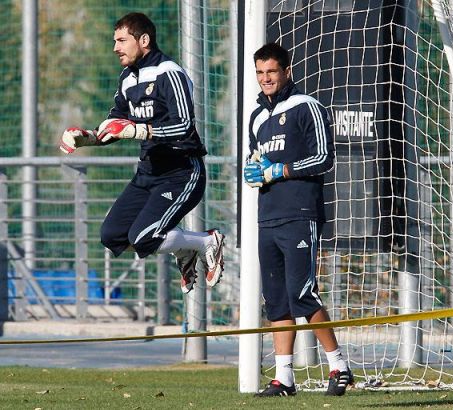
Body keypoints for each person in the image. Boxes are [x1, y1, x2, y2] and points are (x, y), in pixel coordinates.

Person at [58, 12, 224, 294]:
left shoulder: (168, 72)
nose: (115, 47)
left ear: (144, 40)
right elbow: (115, 125)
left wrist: (141, 131)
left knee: (144, 236)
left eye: (122, 40)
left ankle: (207, 241)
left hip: (181, 172)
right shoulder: (127, 77)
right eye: (115, 41)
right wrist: (87, 138)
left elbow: (184, 125)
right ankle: (183, 249)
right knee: (111, 235)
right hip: (147, 174)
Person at [243, 43, 352, 397]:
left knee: (302, 293)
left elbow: (324, 158)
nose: (265, 79)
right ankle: (284, 378)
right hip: (267, 216)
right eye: (260, 73)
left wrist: (281, 170)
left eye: (271, 72)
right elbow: (257, 159)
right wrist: (253, 171)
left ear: (286, 71)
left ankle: (339, 365)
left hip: (300, 214)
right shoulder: (256, 117)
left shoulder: (307, 106)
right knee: (276, 299)